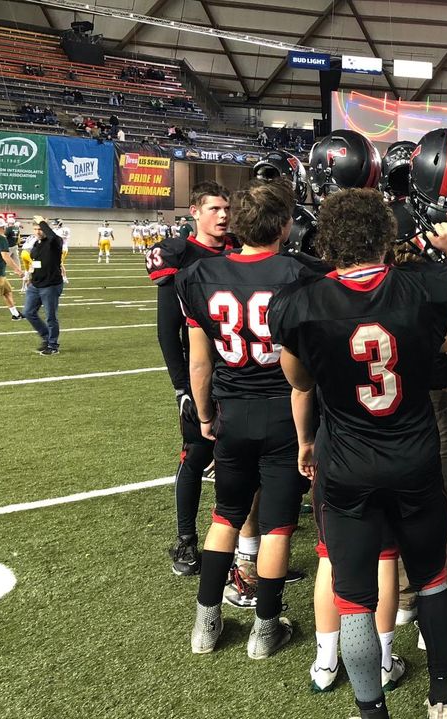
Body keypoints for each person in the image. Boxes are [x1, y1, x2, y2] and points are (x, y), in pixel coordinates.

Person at [269, 188, 447, 719]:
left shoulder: (301, 300)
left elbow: (297, 377)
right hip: (416, 455)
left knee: (354, 600)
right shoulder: (421, 284)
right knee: (431, 582)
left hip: (345, 465)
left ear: (328, 240)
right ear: (384, 234)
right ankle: (443, 698)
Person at [178, 180, 312, 661]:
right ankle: (264, 629)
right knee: (277, 526)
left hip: (232, 409)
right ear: (283, 224)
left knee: (225, 515)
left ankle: (205, 625)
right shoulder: (300, 273)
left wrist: (207, 416)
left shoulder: (199, 275)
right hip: (284, 410)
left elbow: (199, 364)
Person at [146, 182, 235, 576]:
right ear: (195, 212)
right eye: (215, 208)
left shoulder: (237, 248)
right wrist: (181, 386)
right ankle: (185, 541)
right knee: (196, 453)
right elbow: (168, 330)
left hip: (239, 370)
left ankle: (244, 545)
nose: (223, 215)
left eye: (227, 208)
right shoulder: (178, 254)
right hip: (203, 373)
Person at [23, 216, 66, 354]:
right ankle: (46, 337)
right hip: (36, 284)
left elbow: (53, 237)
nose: (38, 231)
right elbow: (36, 262)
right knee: (28, 312)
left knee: (50, 317)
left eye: (40, 228)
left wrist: (43, 222)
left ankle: (53, 345)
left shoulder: (54, 241)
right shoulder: (37, 243)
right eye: (35, 229)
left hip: (51, 285)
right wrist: (31, 276)